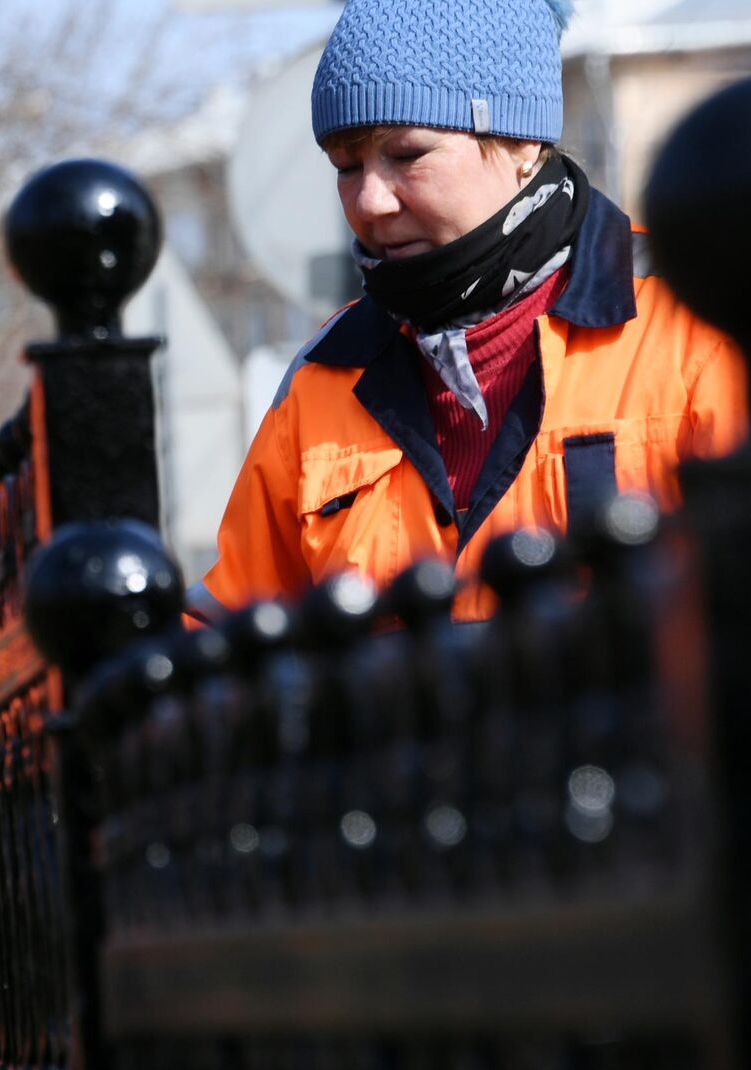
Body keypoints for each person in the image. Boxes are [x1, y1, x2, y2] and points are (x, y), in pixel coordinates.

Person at [189, 0, 748, 625]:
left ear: (521, 141)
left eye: (406, 154)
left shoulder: (696, 322)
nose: (369, 200)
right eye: (345, 166)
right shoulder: (323, 376)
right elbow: (226, 645)